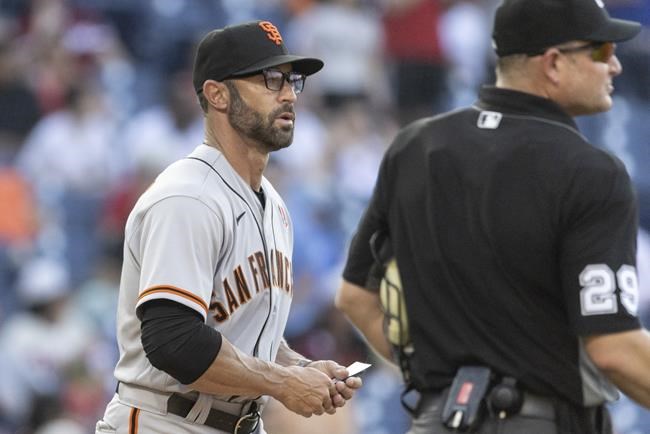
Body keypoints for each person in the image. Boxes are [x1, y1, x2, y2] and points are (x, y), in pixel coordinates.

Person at [335, 1, 650, 433]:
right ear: (554, 63)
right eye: (600, 51)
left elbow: (356, 296)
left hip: (436, 420)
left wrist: (440, 380)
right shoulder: (590, 170)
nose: (614, 65)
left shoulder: (416, 147)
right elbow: (614, 348)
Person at [95, 20, 361, 434]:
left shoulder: (272, 203)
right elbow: (175, 343)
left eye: (292, 81)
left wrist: (300, 367)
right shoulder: (188, 196)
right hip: (165, 421)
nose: (289, 93)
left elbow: (244, 337)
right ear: (217, 94)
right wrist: (285, 383)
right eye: (271, 80)